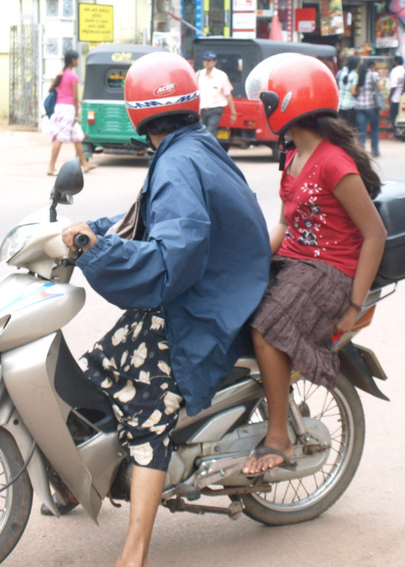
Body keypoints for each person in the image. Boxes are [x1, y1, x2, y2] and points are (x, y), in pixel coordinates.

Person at [60, 51, 271, 566]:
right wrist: (96, 230)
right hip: (211, 285)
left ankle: (134, 553)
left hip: (208, 301)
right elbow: (145, 218)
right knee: (100, 365)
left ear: (136, 113)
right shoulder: (188, 147)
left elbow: (172, 254)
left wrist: (99, 250)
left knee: (144, 403)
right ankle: (73, 480)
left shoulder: (177, 160)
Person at [239, 53, 387, 474]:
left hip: (330, 272)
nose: (263, 107)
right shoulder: (290, 156)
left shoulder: (333, 162)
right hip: (294, 261)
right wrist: (249, 261)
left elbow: (374, 234)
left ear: (286, 103)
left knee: (265, 329)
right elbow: (285, 225)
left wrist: (353, 307)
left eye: (268, 100)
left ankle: (279, 437)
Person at [48, 50, 93, 174]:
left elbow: (50, 88)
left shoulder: (60, 74)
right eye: (77, 59)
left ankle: (84, 163)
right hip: (68, 109)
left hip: (59, 107)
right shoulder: (73, 76)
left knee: (77, 135)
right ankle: (51, 167)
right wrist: (77, 114)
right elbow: (74, 97)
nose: (78, 62)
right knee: (60, 137)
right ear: (73, 60)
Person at [196, 50, 237, 140]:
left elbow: (228, 95)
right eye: (205, 60)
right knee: (203, 132)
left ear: (215, 62)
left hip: (216, 109)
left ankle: (211, 152)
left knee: (211, 130)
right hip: (202, 110)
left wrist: (233, 112)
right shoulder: (199, 75)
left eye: (209, 61)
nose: (207, 63)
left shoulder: (221, 76)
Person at [353, 59, 382, 157]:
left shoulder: (358, 75)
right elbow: (379, 88)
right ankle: (375, 150)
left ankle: (361, 151)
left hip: (360, 105)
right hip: (372, 106)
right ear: (372, 66)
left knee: (361, 129)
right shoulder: (373, 75)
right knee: (374, 128)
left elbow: (355, 91)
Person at [337, 55, 359, 131]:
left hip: (339, 104)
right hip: (349, 105)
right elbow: (353, 92)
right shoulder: (354, 75)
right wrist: (358, 93)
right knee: (349, 128)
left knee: (339, 126)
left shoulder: (339, 73)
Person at [387, 55, 405, 130]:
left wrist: (390, 97)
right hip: (402, 97)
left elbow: (393, 86)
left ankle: (396, 131)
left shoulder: (395, 71)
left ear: (396, 62)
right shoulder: (404, 70)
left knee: (394, 116)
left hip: (395, 98)